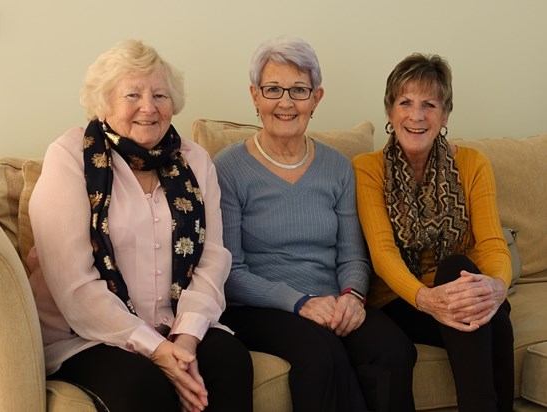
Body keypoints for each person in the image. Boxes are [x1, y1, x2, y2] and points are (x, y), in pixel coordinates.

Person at [27, 39, 253, 412]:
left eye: (160, 95)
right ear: (104, 102)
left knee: (229, 361)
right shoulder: (70, 158)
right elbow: (73, 284)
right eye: (133, 94)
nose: (148, 107)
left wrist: (184, 339)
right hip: (88, 334)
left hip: (176, 325)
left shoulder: (195, 161)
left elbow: (212, 258)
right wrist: (157, 350)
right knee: (140, 384)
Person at [213, 37, 416, 412]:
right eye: (273, 89)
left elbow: (353, 256)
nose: (286, 102)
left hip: (334, 300)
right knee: (320, 357)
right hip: (260, 308)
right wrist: (301, 303)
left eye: (299, 90)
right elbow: (230, 272)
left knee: (393, 349)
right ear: (255, 96)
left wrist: (353, 298)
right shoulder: (228, 168)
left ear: (317, 98)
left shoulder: (338, 166)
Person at [352, 53, 514, 412]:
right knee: (485, 309)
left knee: (481, 299)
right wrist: (428, 299)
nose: (416, 115)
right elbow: (382, 255)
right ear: (390, 112)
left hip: (457, 289)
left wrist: (498, 287)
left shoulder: (472, 164)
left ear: (445, 115)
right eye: (405, 102)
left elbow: (491, 244)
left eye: (430, 104)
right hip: (400, 301)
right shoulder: (368, 169)